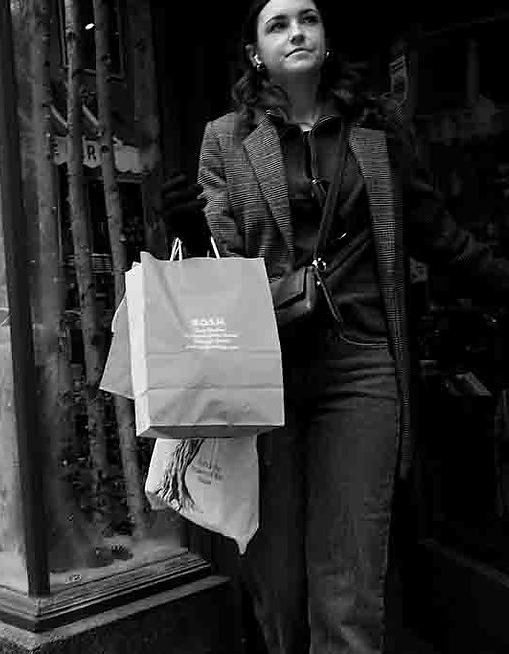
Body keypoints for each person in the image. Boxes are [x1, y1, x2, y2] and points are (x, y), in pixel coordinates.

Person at [163, 1, 509, 652]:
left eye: (308, 19)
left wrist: (498, 279)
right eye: (277, 25)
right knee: (281, 590)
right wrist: (187, 227)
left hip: (362, 367)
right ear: (255, 53)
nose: (296, 31)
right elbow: (219, 269)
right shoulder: (227, 139)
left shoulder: (376, 132)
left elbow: (435, 232)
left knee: (348, 588)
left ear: (325, 39)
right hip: (263, 373)